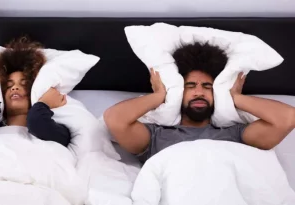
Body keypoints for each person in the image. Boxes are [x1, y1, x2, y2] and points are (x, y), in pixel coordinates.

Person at [104, 42, 295, 163]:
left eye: (207, 86)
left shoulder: (236, 134)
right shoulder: (156, 137)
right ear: (179, 92)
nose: (198, 92)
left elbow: (287, 118)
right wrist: (160, 94)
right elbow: (114, 119)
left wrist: (235, 97)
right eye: (189, 86)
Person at [0, 37, 71, 147]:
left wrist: (43, 103)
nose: (15, 88)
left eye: (24, 84)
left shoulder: (55, 129)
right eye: (9, 85)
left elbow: (37, 122)